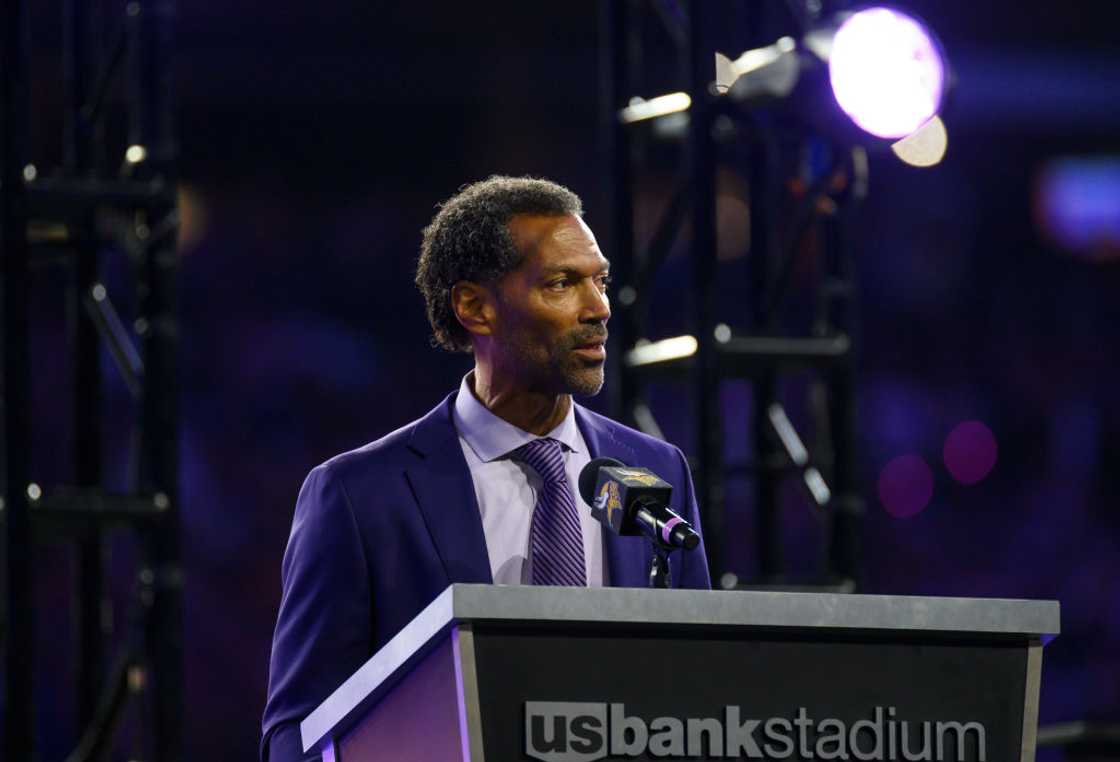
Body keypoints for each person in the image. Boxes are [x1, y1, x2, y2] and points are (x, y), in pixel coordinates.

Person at [260, 176, 710, 761]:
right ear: (475, 307)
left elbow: (705, 688)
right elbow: (296, 734)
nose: (598, 308)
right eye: (561, 284)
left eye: (599, 280)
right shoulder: (358, 495)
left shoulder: (654, 468)